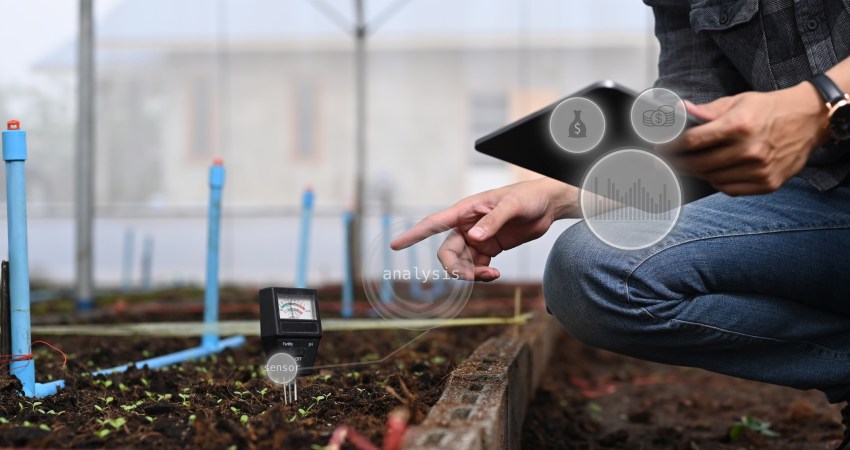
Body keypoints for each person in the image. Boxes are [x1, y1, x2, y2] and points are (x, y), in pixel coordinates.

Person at [392, 0, 850, 446]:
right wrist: (557, 195)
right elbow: (695, 141)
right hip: (815, 201)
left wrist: (822, 103)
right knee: (592, 271)